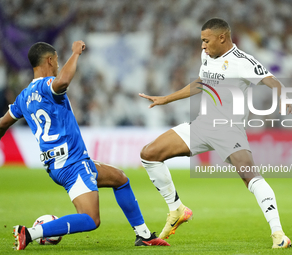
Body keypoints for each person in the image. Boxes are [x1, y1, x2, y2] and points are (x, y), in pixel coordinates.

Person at [0, 41, 170, 250]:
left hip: (61, 162)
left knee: (120, 178)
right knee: (91, 219)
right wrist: (75, 53)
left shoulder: (23, 97)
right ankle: (30, 233)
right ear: (50, 60)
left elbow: (2, 124)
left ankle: (143, 235)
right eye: (57, 61)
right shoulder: (48, 85)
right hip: (71, 162)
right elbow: (62, 82)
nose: (58, 65)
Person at [139, 18, 292, 248]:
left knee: (251, 177)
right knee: (149, 154)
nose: (202, 46)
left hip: (229, 129)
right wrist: (166, 99)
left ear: (222, 38)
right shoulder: (207, 56)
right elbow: (200, 83)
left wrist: (282, 96)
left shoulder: (243, 62)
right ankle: (177, 209)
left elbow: (273, 82)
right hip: (201, 126)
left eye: (205, 40)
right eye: (202, 41)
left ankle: (279, 235)